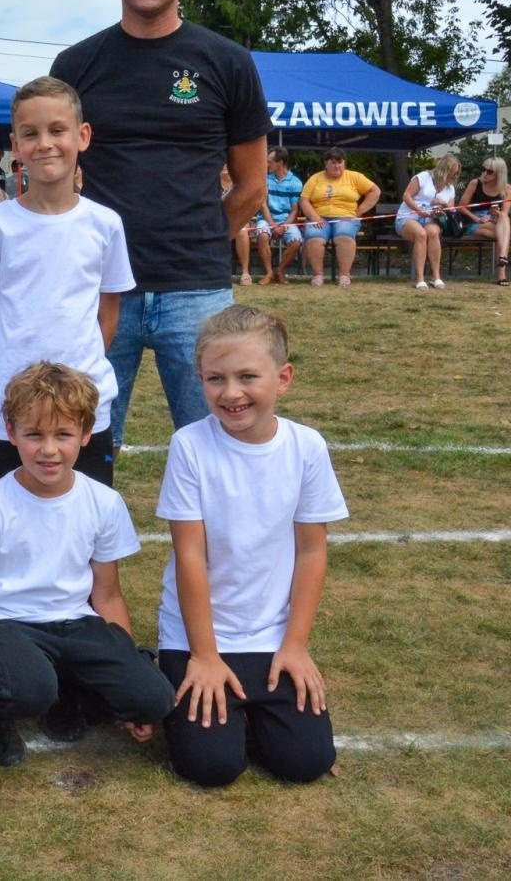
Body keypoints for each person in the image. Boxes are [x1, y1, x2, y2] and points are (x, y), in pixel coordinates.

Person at [51, 0, 271, 452]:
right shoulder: (76, 67)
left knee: (222, 453)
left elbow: (251, 186)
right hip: (100, 293)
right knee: (81, 453)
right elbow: (50, 178)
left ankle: (212, 548)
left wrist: (198, 238)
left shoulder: (227, 63)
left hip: (197, 291)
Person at [0, 362, 174, 773]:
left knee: (153, 698)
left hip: (74, 622)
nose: (48, 449)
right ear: (11, 434)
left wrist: (127, 668)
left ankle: (71, 690)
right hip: (7, 623)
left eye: (63, 435)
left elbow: (107, 594)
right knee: (25, 689)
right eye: (34, 434)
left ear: (86, 435)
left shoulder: (103, 502)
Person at [157, 304, 345, 787]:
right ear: (199, 378)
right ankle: (172, 682)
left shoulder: (307, 448)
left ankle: (257, 712)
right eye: (215, 379)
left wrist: (296, 645)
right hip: (197, 637)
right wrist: (203, 655)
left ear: (283, 378)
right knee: (211, 766)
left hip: (269, 635)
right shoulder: (189, 446)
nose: (231, 393)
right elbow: (190, 555)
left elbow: (311, 551)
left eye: (247, 376)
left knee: (305, 763)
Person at [0, 77, 132, 487]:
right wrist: (9, 370)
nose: (45, 143)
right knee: (13, 532)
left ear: (82, 135)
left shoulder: (105, 224)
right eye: (30, 134)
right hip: (11, 408)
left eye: (57, 130)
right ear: (15, 144)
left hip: (85, 406)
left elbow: (108, 309)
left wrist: (78, 370)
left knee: (86, 533)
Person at [299, 148, 381, 287]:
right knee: (314, 236)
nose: (337, 166)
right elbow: (304, 200)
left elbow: (375, 191)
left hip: (346, 216)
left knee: (343, 236)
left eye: (340, 162)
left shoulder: (355, 177)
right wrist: (313, 216)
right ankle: (318, 275)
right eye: (333, 162)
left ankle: (344, 275)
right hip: (320, 216)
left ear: (344, 163)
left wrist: (360, 210)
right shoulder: (315, 178)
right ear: (326, 164)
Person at [396, 155, 461, 290]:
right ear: (444, 171)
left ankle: (435, 276)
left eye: (457, 174)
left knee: (433, 232)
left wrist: (443, 205)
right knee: (421, 234)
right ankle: (420, 278)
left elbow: (451, 209)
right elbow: (406, 196)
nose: (455, 177)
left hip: (432, 219)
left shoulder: (450, 188)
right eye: (453, 173)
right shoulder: (423, 177)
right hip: (410, 216)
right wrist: (419, 210)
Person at [246, 148, 304, 286]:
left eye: (269, 162)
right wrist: (273, 224)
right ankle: (269, 273)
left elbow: (295, 209)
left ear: (280, 163)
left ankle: (280, 271)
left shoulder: (295, 182)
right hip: (266, 219)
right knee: (263, 235)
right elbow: (263, 205)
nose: (266, 165)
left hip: (286, 221)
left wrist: (283, 226)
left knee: (296, 241)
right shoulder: (264, 180)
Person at [460, 156, 511, 286]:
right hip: (476, 221)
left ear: (499, 174)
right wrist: (477, 218)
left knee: (504, 219)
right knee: (504, 236)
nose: (485, 173)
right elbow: (461, 207)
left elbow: (505, 212)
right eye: (483, 169)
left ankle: (502, 259)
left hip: (497, 221)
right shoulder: (475, 183)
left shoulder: (507, 188)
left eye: (490, 172)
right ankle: (502, 270)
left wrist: (495, 214)